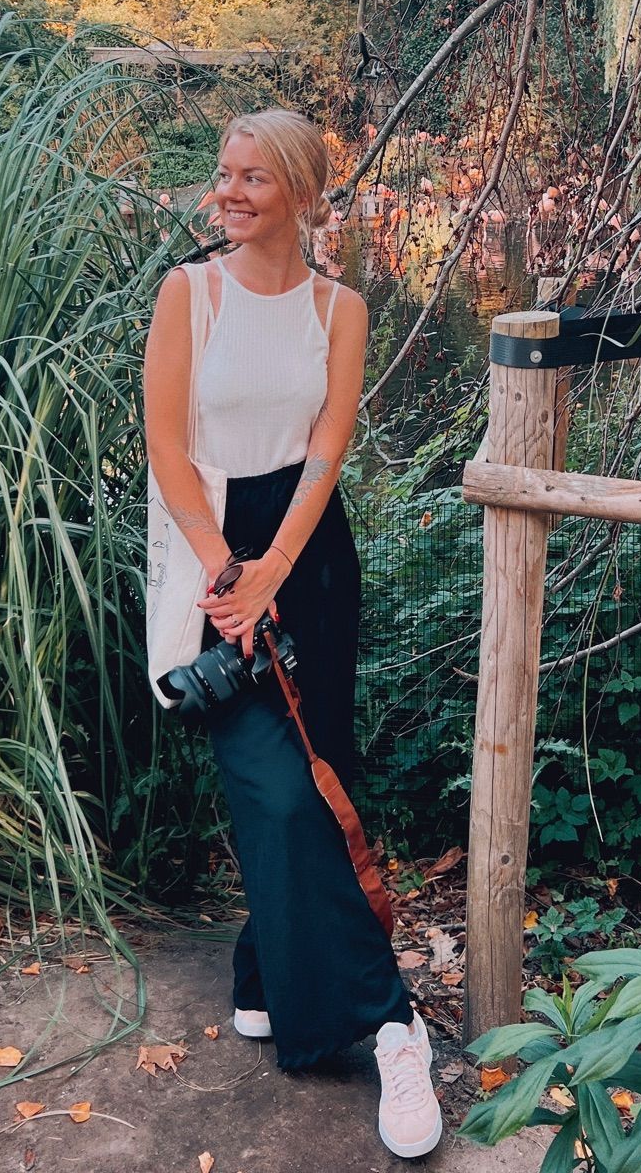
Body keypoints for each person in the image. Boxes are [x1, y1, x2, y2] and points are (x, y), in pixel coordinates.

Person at [143, 109, 442, 1159]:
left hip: (310, 553)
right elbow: (166, 447)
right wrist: (232, 570)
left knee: (320, 770)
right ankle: (392, 1022)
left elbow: (327, 447)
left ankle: (265, 971)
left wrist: (277, 565)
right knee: (274, 789)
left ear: (302, 194)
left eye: (252, 178)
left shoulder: (339, 307)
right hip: (211, 544)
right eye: (223, 173)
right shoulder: (189, 293)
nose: (227, 192)